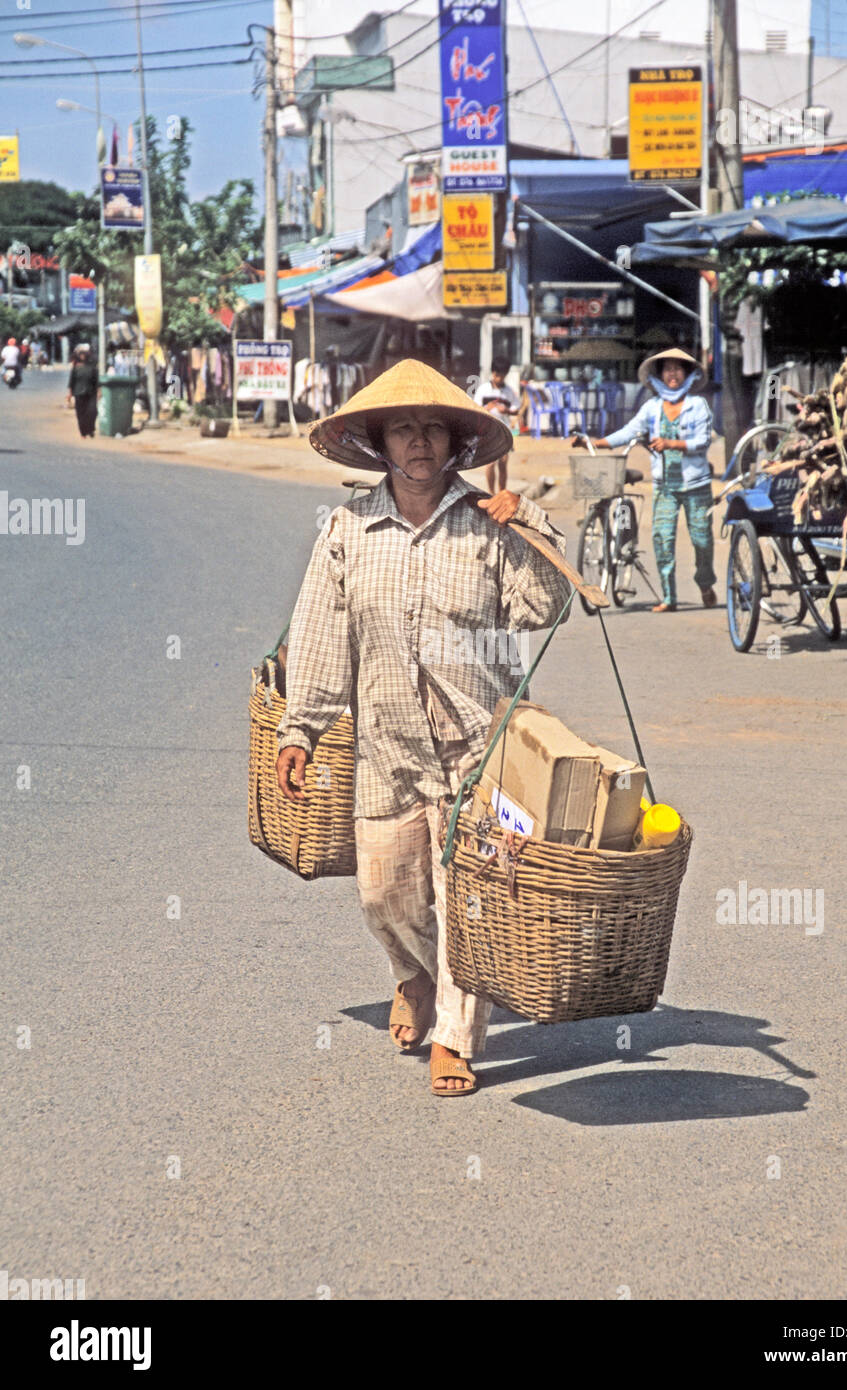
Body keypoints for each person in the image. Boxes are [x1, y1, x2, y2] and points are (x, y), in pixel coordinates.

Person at [275, 359, 571, 1097]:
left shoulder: (484, 525)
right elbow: (318, 630)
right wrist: (299, 728)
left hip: (478, 748)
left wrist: (530, 526)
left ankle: (455, 1036)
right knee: (384, 894)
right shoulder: (347, 528)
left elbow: (544, 610)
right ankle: (411, 973)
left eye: (432, 428)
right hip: (386, 747)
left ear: (453, 443)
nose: (418, 441)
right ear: (378, 443)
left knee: (464, 897)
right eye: (403, 428)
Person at [587, 347, 717, 613]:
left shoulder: (698, 406)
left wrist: (672, 443)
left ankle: (705, 583)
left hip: (697, 485)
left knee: (702, 540)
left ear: (688, 374)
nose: (673, 374)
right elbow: (629, 431)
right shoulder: (652, 408)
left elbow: (703, 441)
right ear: (659, 375)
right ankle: (669, 597)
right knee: (662, 538)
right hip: (664, 487)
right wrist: (598, 442)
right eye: (667, 369)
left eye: (678, 369)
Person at [474, 357, 518, 495]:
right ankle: (491, 493)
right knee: (490, 463)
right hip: (488, 430)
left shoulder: (509, 391)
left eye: (502, 375)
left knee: (503, 462)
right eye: (497, 375)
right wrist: (488, 407)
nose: (499, 378)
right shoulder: (483, 389)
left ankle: (502, 492)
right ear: (493, 373)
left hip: (504, 430)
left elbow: (516, 408)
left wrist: (507, 410)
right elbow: (475, 409)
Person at [66, 344, 101, 438]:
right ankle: (83, 432)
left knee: (93, 411)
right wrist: (69, 394)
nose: (83, 356)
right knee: (80, 413)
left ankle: (91, 429)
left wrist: (99, 391)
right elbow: (71, 381)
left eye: (84, 354)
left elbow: (97, 380)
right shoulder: (75, 367)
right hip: (78, 393)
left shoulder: (92, 366)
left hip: (91, 393)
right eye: (81, 354)